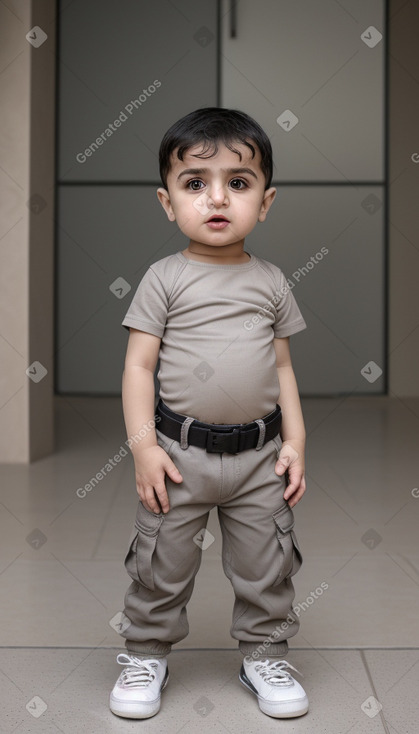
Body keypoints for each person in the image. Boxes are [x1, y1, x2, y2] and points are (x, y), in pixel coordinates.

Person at [110, 107, 309, 720]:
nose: (216, 197)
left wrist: (296, 442)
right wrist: (144, 447)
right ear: (168, 204)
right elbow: (138, 368)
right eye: (195, 183)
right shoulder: (164, 279)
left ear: (265, 202)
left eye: (238, 182)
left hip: (257, 459)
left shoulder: (273, 282)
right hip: (178, 457)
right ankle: (145, 652)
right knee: (161, 562)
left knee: (265, 564)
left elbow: (282, 370)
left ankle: (264, 654)